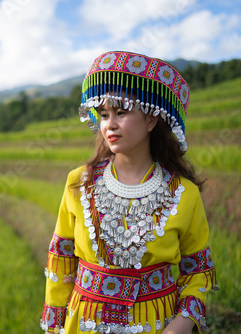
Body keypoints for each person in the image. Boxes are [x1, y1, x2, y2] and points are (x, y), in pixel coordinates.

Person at [40, 51, 217, 334]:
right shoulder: (79, 183)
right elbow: (62, 261)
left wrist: (180, 325)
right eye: (104, 114)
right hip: (82, 324)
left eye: (121, 112)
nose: (109, 124)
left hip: (154, 325)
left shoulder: (184, 193)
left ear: (151, 121)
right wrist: (53, 328)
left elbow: (197, 271)